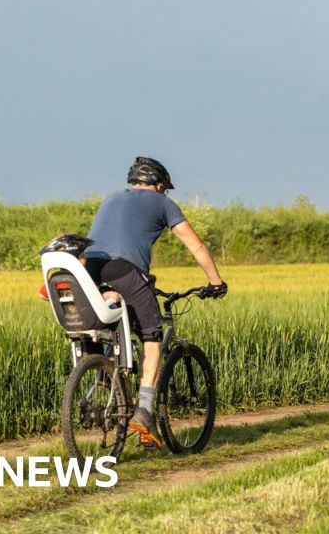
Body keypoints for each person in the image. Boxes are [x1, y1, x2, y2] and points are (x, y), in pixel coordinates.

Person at [83, 156, 227, 448]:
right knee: (152, 335)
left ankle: (108, 372)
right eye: (164, 189)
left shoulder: (111, 199)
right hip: (125, 270)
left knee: (117, 324)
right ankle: (145, 412)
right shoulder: (161, 203)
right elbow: (195, 245)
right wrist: (216, 283)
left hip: (89, 272)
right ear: (159, 185)